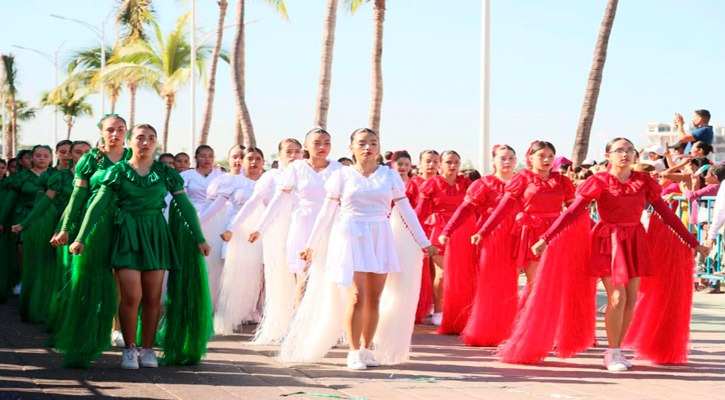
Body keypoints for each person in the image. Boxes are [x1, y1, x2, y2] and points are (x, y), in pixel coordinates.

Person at [511, 137, 707, 371]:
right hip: (608, 242)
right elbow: (571, 212)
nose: (625, 154)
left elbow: (666, 214)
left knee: (631, 300)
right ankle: (612, 353)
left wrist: (693, 242)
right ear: (608, 156)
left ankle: (617, 349)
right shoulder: (599, 181)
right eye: (619, 151)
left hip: (635, 240)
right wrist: (546, 238)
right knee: (617, 298)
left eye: (629, 150)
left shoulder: (644, 181)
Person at [69, 124, 212, 370]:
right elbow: (98, 204)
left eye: (151, 138)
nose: (145, 142)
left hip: (156, 234)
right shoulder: (117, 171)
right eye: (140, 138)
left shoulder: (165, 172)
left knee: (153, 298)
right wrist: (81, 237)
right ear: (130, 140)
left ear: (156, 143)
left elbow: (185, 205)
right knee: (131, 296)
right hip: (127, 234)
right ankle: (129, 349)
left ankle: (148, 350)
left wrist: (200, 238)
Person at [293, 128, 436, 369]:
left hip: (380, 236)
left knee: (374, 298)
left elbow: (406, 210)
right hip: (350, 237)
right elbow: (327, 212)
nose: (367, 147)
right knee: (357, 296)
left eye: (373, 143)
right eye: (362, 143)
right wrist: (311, 244)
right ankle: (353, 351)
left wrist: (424, 242)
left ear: (379, 148)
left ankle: (367, 348)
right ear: (351, 148)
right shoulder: (342, 175)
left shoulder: (389, 176)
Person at [50, 114, 132, 367]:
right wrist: (66, 228)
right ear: (102, 133)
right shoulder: (89, 159)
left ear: (127, 132)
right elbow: (78, 195)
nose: (115, 134)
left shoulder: (134, 157)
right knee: (91, 280)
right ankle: (88, 334)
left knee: (123, 278)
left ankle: (117, 328)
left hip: (129, 224)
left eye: (120, 129)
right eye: (110, 130)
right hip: (96, 225)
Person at [473, 141, 576, 310]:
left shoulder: (562, 181)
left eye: (551, 156)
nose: (547, 160)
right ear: (530, 158)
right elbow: (503, 208)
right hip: (532, 233)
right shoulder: (522, 178)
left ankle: (548, 323)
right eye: (541, 156)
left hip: (557, 232)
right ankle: (528, 325)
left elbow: (575, 209)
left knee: (555, 283)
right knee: (536, 283)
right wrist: (484, 231)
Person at [222, 139, 303, 344]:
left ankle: (301, 323)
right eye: (288, 151)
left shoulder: (306, 173)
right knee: (280, 279)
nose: (293, 155)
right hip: (276, 231)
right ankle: (283, 323)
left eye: (297, 151)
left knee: (303, 278)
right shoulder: (272, 176)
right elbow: (253, 202)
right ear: (279, 154)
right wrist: (232, 227)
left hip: (302, 228)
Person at [439, 144, 518, 347]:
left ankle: (509, 329)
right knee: (489, 283)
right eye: (502, 158)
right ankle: (486, 331)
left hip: (517, 235)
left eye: (511, 158)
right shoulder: (484, 184)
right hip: (489, 237)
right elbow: (465, 208)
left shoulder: (521, 182)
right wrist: (448, 230)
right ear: (493, 161)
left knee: (510, 284)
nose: (507, 162)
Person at [250, 127, 342, 294]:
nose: (322, 147)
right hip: (303, 225)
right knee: (303, 279)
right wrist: (260, 228)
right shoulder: (297, 168)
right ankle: (300, 319)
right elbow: (279, 199)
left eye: (327, 143)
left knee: (329, 280)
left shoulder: (338, 169)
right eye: (317, 143)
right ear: (306, 146)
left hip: (331, 225)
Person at [11, 141, 92, 327]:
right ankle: (59, 316)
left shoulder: (98, 177)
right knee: (60, 272)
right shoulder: (58, 177)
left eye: (88, 152)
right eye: (78, 152)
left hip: (88, 227)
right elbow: (46, 201)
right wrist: (24, 224)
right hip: (58, 227)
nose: (84, 156)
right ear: (68, 155)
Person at [204, 147, 266, 332]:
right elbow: (216, 206)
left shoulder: (267, 182)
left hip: (259, 233)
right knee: (232, 272)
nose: (254, 162)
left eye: (258, 158)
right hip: (236, 233)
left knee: (259, 274)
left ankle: (250, 310)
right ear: (242, 162)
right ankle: (229, 313)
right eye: (250, 158)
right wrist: (196, 222)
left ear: (263, 163)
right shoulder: (234, 183)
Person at [415, 150, 473, 331]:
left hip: (462, 229)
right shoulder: (432, 184)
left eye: (456, 162)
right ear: (441, 164)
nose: (453, 166)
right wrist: (413, 231)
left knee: (459, 273)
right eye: (449, 162)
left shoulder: (466, 183)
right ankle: (439, 310)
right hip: (438, 230)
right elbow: (420, 211)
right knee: (442, 273)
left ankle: (457, 310)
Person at [0, 145, 53, 323]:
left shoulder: (56, 176)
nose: (42, 159)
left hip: (49, 220)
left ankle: (45, 301)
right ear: (31, 158)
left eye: (46, 156)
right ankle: (28, 297)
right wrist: (1, 220)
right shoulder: (20, 177)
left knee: (47, 260)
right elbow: (10, 201)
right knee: (26, 259)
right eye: (38, 156)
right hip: (24, 219)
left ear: (51, 158)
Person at [410, 149, 439, 324]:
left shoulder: (442, 183)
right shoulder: (413, 184)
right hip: (417, 229)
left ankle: (437, 306)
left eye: (435, 161)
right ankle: (418, 306)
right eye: (428, 161)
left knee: (437, 270)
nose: (432, 165)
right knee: (419, 269)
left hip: (436, 229)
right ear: (420, 163)